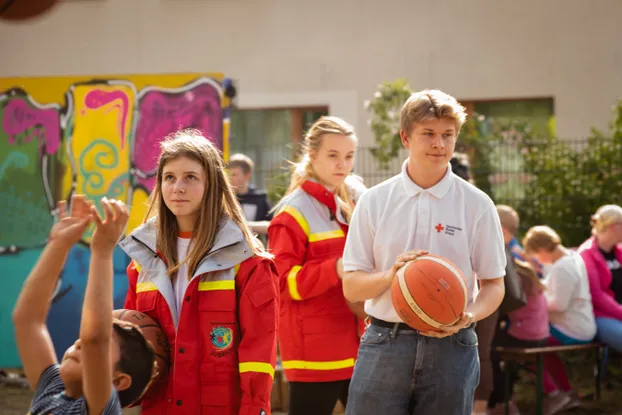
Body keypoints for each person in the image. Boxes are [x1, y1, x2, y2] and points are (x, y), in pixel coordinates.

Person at [342, 89, 506, 415]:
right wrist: (392, 277)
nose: (439, 144)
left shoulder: (477, 204)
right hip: (385, 341)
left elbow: (494, 285)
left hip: (453, 346)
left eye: (448, 135)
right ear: (405, 137)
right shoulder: (374, 202)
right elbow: (351, 285)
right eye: (428, 134)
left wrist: (467, 316)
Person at [119, 129, 279, 415]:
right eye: (169, 177)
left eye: (190, 177)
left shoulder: (246, 260)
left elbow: (259, 352)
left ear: (212, 185)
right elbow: (132, 345)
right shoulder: (142, 260)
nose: (178, 187)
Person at [13, 194, 155, 414]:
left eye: (108, 345)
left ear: (118, 382)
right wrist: (59, 244)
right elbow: (27, 320)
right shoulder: (51, 390)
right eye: (79, 340)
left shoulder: (100, 409)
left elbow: (94, 340)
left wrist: (102, 251)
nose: (79, 343)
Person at [268, 116, 366, 415]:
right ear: (312, 155)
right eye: (333, 156)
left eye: (349, 156)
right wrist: (335, 268)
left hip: (356, 343)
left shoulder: (349, 201)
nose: (342, 165)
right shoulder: (293, 211)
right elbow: (282, 284)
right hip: (314, 351)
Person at [523, 225, 596, 412]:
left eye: (537, 256)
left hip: (571, 328)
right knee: (545, 351)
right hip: (580, 325)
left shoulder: (562, 268)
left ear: (541, 250)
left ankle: (555, 394)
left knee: (527, 344)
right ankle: (566, 392)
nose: (538, 260)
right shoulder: (572, 257)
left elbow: (558, 305)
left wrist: (533, 300)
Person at [578, 205, 622, 352]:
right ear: (613, 226)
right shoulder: (587, 254)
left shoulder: (619, 251)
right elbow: (597, 296)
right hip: (600, 316)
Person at [228, 153, 273, 236]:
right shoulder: (225, 199)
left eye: (234, 174)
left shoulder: (259, 198)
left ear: (247, 176)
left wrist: (245, 226)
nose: (230, 178)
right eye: (229, 174)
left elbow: (271, 225)